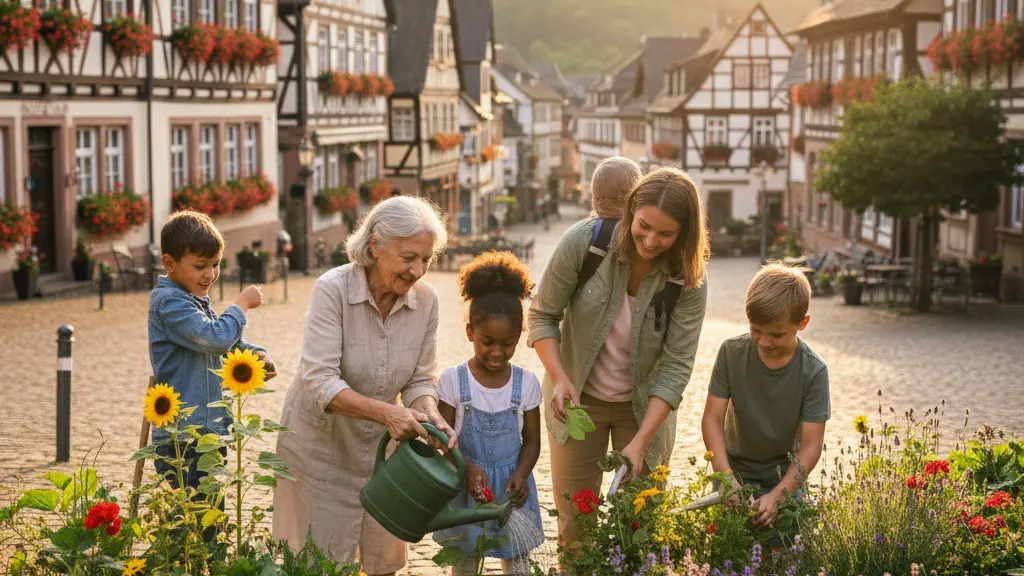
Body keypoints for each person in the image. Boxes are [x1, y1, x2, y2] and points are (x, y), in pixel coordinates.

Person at [272, 196, 456, 576]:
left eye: (426, 258)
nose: (418, 270)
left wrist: (429, 412)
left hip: (381, 458)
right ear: (375, 246)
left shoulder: (427, 302)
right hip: (320, 449)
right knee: (317, 562)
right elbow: (320, 381)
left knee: (382, 561)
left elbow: (421, 378)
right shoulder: (333, 290)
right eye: (409, 257)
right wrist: (389, 413)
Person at [528, 167, 710, 548]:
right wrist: (560, 378)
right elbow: (543, 315)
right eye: (644, 225)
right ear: (630, 210)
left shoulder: (688, 276)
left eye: (666, 233)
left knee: (639, 533)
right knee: (576, 533)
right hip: (578, 403)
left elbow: (677, 365)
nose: (650, 240)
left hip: (644, 411)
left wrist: (643, 441)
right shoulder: (585, 243)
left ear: (684, 233)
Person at [432, 251, 544, 576]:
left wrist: (522, 473)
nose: (497, 352)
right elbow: (442, 439)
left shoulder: (526, 384)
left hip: (513, 489)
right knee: (465, 564)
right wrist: (465, 467)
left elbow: (533, 440)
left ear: (520, 336)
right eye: (487, 342)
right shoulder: (453, 381)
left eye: (508, 343)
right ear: (470, 333)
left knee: (518, 563)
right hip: (466, 487)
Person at [148, 210, 277, 488]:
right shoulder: (170, 303)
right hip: (182, 437)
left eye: (216, 264)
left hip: (207, 431)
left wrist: (254, 357)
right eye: (200, 266)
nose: (210, 274)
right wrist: (241, 305)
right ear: (169, 263)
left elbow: (224, 345)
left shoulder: (192, 298)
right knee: (192, 518)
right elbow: (214, 337)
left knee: (210, 512)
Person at [700, 263, 830, 529]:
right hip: (732, 471)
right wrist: (726, 479)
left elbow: (810, 447)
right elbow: (712, 419)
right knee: (729, 554)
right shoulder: (731, 353)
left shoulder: (814, 371)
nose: (764, 342)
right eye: (756, 329)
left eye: (777, 334)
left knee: (785, 559)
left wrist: (778, 496)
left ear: (802, 323)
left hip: (786, 477)